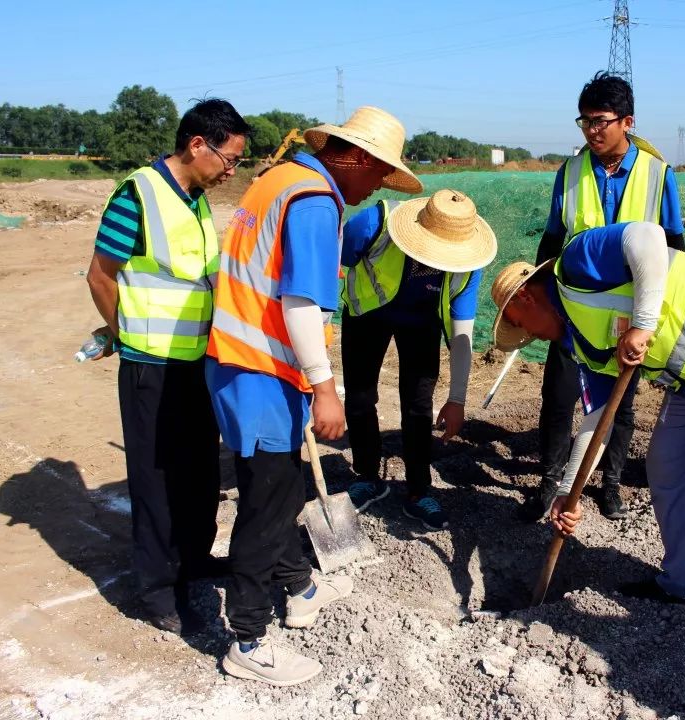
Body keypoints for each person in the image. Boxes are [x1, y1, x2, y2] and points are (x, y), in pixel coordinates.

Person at [491, 220, 685, 690]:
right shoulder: (581, 345)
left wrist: (644, 324)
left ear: (525, 300)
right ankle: (681, 583)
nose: (528, 337)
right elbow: (597, 425)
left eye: (520, 327)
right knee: (667, 469)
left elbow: (648, 239)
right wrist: (567, 497)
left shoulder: (576, 263)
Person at [207, 107, 422, 686]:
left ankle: (299, 583)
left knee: (276, 487)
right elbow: (300, 303)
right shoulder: (313, 201)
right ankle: (248, 638)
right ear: (354, 156)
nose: (377, 185)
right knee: (265, 505)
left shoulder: (278, 179)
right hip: (260, 369)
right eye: (378, 173)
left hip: (244, 361)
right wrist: (325, 389)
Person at [85, 99, 250, 636]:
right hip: (150, 365)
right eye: (228, 159)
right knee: (155, 481)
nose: (232, 171)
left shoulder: (196, 199)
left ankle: (195, 559)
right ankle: (157, 591)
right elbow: (100, 276)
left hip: (197, 360)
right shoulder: (139, 195)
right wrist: (121, 334)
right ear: (197, 144)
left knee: (199, 471)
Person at [526, 71, 685, 523]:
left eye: (600, 121)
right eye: (585, 122)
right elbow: (552, 240)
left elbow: (674, 247)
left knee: (620, 400)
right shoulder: (571, 172)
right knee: (558, 397)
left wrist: (652, 316)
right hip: (573, 307)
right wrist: (541, 294)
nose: (592, 131)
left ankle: (609, 485)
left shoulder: (658, 175)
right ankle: (550, 483)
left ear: (627, 121)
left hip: (628, 314)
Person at [340, 189, 496, 531]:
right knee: (361, 395)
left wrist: (456, 400)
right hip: (368, 313)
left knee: (418, 405)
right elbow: (330, 268)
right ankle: (367, 475)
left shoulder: (469, 264)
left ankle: (418, 490)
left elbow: (461, 334)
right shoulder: (373, 223)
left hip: (421, 322)